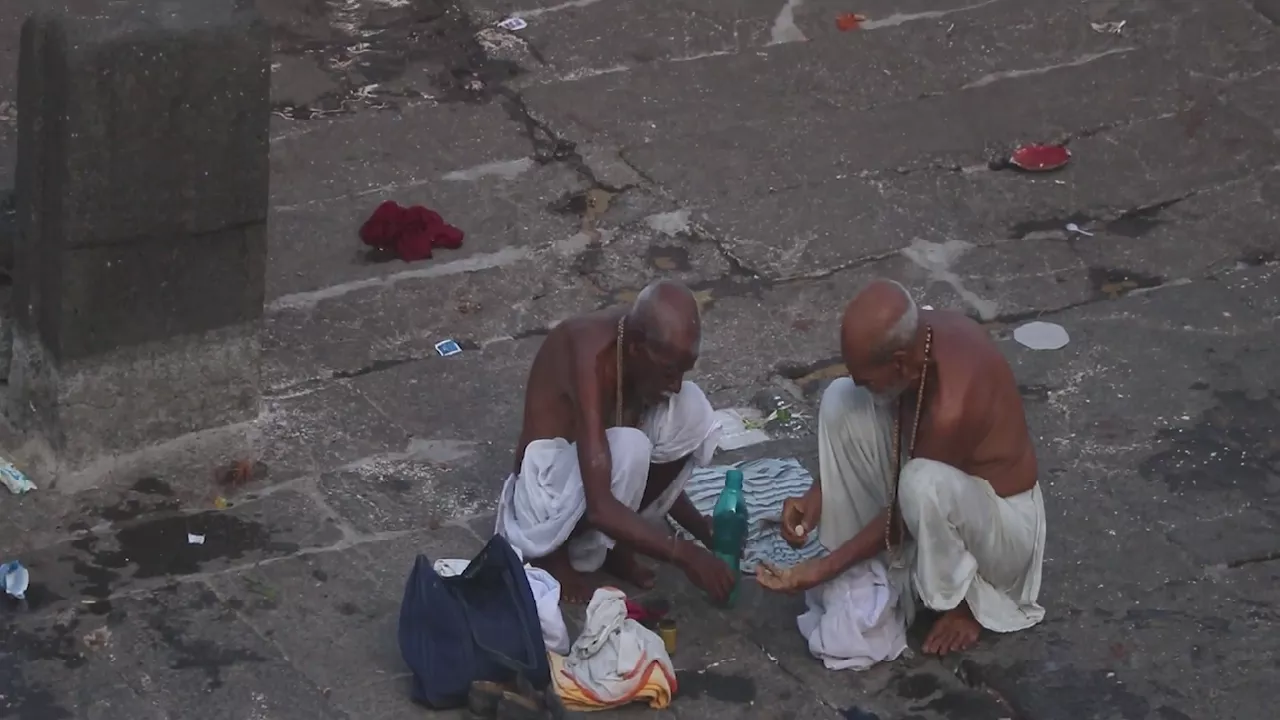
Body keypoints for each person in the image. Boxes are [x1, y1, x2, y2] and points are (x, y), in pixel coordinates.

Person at [757, 279, 1046, 656]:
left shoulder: (952, 405)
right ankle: (861, 572)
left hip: (1002, 535)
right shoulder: (914, 343)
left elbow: (903, 511)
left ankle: (966, 603)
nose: (865, 386)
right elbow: (897, 445)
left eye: (870, 379)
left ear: (898, 364)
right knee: (841, 399)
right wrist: (818, 494)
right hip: (939, 489)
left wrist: (822, 568)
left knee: (920, 484)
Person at [495, 280, 735, 604]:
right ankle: (553, 557)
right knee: (630, 446)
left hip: (595, 475)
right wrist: (685, 554)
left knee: (692, 410)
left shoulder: (641, 343)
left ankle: (618, 545)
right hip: (543, 496)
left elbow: (650, 470)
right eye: (668, 373)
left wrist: (700, 528)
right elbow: (600, 504)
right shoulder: (589, 352)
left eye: (683, 371)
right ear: (636, 349)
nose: (675, 384)